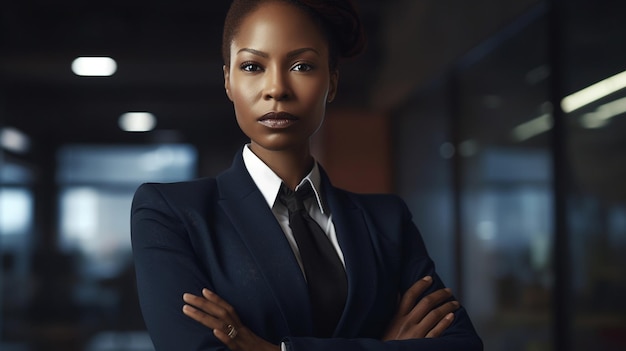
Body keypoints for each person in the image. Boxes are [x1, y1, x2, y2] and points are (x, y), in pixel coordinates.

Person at [130, 0, 483, 350]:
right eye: (253, 66)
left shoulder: (387, 220)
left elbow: (462, 345)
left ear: (331, 83)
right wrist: (384, 345)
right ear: (228, 81)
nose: (276, 89)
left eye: (301, 66)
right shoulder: (172, 213)